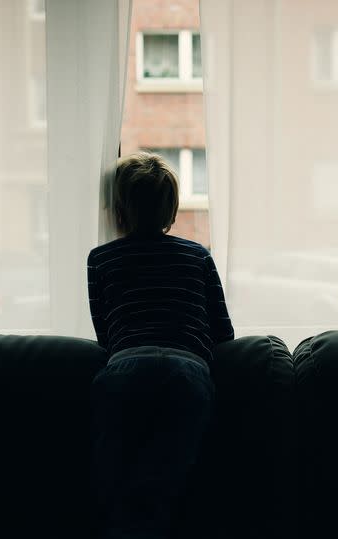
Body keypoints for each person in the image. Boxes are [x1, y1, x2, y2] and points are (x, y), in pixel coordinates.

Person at [87, 151, 234, 539]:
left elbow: (105, 333)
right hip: (187, 368)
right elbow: (223, 332)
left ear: (117, 210)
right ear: (171, 211)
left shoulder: (101, 259)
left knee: (114, 466)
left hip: (126, 366)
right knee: (173, 467)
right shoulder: (197, 256)